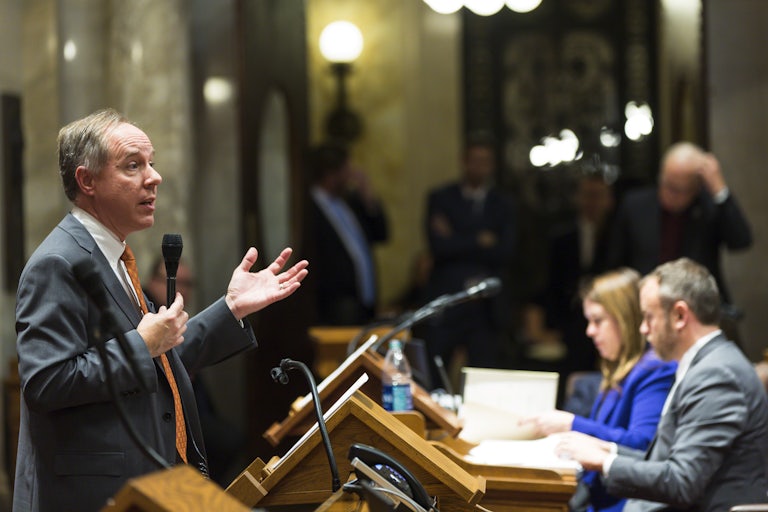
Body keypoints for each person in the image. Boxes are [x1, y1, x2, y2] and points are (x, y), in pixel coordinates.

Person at [14, 108, 309, 512]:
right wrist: (140, 343)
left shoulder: (115, 258)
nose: (154, 177)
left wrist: (232, 308)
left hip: (148, 487)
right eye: (133, 165)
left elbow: (158, 363)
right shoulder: (58, 263)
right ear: (87, 180)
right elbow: (45, 382)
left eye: (151, 164)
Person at [555, 258, 768, 511]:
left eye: (648, 317)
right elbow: (669, 462)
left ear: (679, 315)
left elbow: (682, 481)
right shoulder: (705, 365)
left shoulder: (717, 374)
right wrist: (608, 449)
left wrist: (606, 462)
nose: (643, 329)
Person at [521, 268, 676, 512]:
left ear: (624, 318)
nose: (589, 331)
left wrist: (571, 424)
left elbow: (642, 445)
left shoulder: (655, 370)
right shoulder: (617, 370)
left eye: (598, 320)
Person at [606, 142, 752, 307]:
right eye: (666, 184)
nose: (668, 194)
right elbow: (615, 261)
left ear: (697, 187)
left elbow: (741, 241)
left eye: (677, 189)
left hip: (697, 306)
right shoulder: (635, 204)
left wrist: (719, 190)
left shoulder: (707, 207)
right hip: (646, 303)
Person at [422, 133, 516, 387]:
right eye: (475, 160)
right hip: (448, 299)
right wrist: (480, 239)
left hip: (485, 306)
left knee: (484, 377)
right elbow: (438, 247)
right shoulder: (442, 198)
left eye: (485, 161)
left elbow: (505, 251)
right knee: (435, 373)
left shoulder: (502, 204)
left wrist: (457, 236)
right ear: (464, 162)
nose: (479, 167)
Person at [143, 257, 245, 487]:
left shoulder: (177, 314)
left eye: (187, 284)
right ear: (152, 281)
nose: (182, 290)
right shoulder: (145, 310)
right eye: (175, 282)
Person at [307, 143, 389, 325]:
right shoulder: (308, 207)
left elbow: (381, 234)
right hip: (335, 303)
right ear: (330, 173)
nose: (351, 175)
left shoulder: (350, 201)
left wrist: (368, 195)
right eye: (346, 169)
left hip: (364, 298)